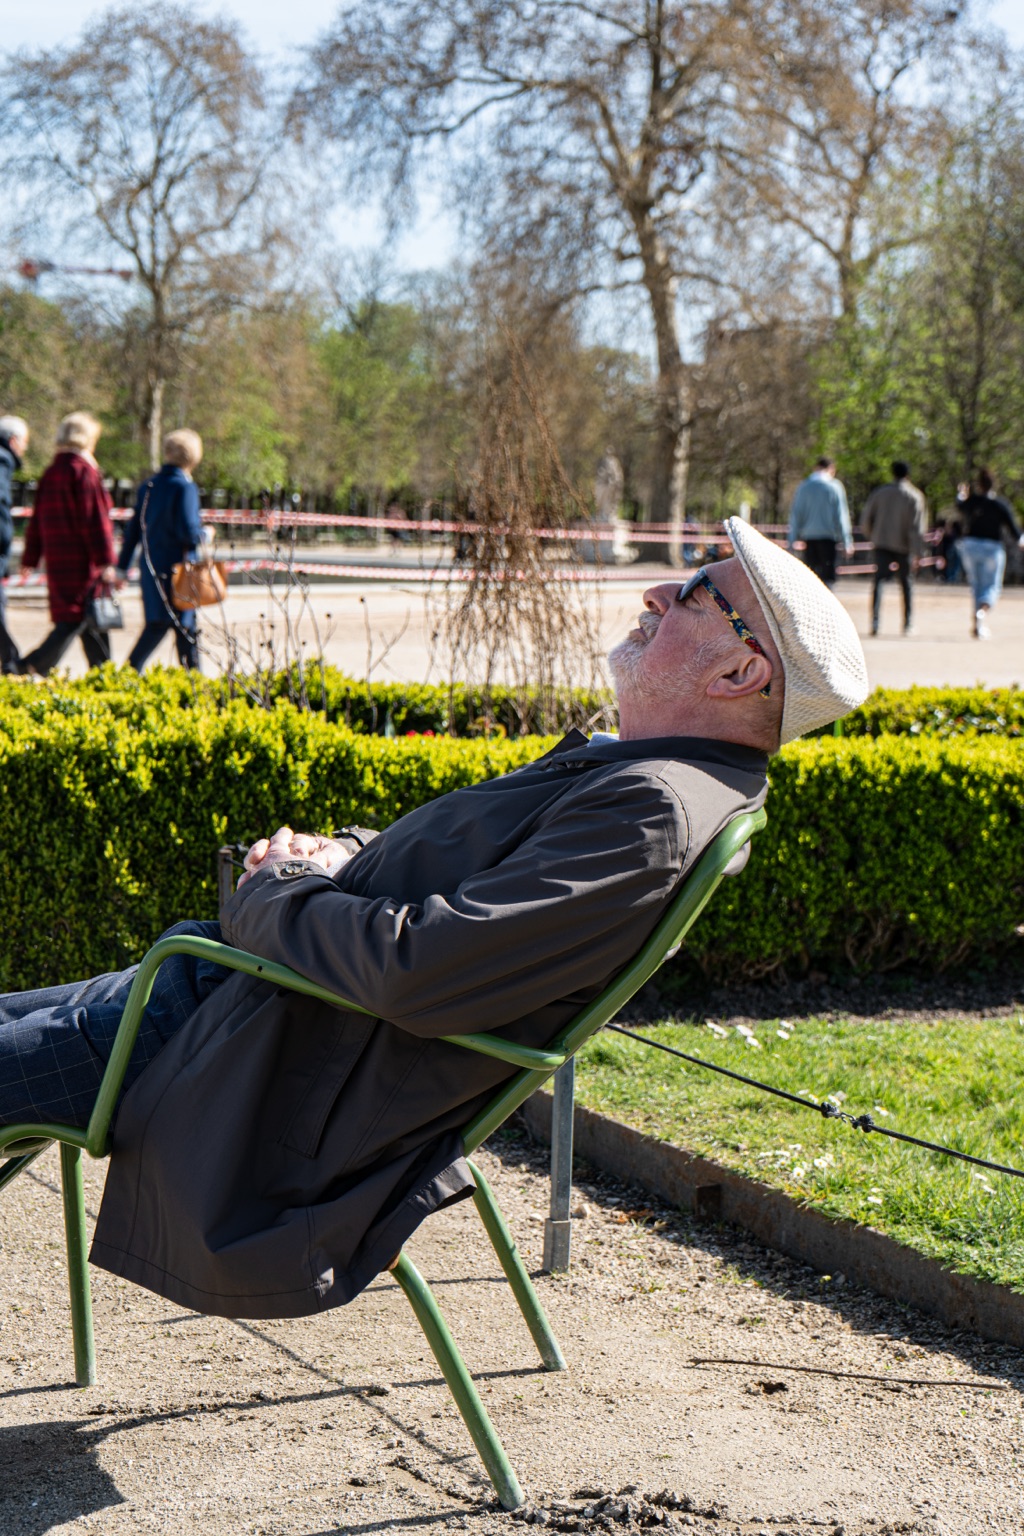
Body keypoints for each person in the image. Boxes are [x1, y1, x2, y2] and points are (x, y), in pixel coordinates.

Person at [0, 520, 868, 1319]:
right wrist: (337, 856)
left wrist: (276, 891)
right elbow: (460, 886)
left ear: (739, 673)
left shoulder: (652, 810)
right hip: (236, 1004)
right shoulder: (652, 777)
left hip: (240, 1050)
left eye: (693, 594)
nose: (655, 595)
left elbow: (423, 968)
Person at [19, 412, 118, 675]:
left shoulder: (51, 472)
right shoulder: (84, 472)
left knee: (85, 618)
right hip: (82, 561)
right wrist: (106, 561)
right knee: (77, 616)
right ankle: (33, 664)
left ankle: (103, 671)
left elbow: (37, 520)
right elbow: (95, 520)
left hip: (57, 558)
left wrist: (30, 558)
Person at [116, 428, 206, 671]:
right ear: (194, 457)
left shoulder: (148, 486)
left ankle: (132, 674)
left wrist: (122, 568)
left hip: (152, 567)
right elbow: (189, 532)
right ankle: (194, 686)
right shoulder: (185, 487)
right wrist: (206, 534)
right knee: (181, 627)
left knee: (169, 626)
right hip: (181, 569)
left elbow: (133, 531)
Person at [955, 469, 1024, 639]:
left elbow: (959, 505)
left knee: (976, 585)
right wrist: (1021, 542)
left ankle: (977, 624)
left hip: (970, 546)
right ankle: (982, 612)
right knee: (991, 586)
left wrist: (961, 493)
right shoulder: (999, 504)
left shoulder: (972, 501)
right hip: (992, 548)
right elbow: (1013, 528)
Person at [861, 460, 927, 636]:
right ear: (908, 474)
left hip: (881, 543)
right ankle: (908, 623)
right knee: (906, 584)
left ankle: (874, 622)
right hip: (904, 546)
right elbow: (917, 528)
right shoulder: (914, 496)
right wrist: (918, 552)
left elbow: (866, 519)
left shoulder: (880, 493)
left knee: (879, 582)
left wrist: (873, 536)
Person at [787, 456, 853, 588]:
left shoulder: (804, 487)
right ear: (831, 469)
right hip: (829, 538)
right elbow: (842, 515)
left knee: (811, 577)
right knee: (828, 578)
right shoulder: (835, 487)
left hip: (809, 538)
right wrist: (847, 541)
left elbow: (796, 514)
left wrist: (791, 540)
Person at [0, 414, 30, 673]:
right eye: (24, 442)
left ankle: (10, 658)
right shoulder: (3, 458)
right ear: (13, 440)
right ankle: (10, 661)